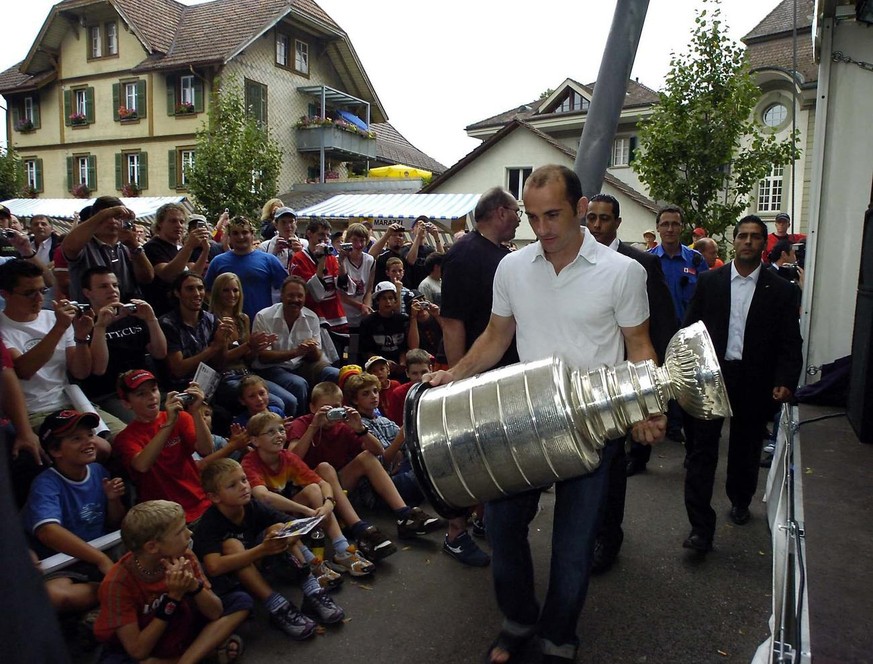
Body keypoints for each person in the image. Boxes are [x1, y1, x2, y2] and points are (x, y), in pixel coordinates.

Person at [425, 165, 665, 664]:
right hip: (525, 417)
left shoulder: (624, 272)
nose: (543, 228)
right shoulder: (512, 268)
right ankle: (518, 619)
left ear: (580, 209)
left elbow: (640, 347)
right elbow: (496, 336)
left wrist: (650, 407)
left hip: (594, 423)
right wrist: (457, 373)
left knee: (573, 544)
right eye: (533, 218)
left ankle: (558, 635)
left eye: (553, 215)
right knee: (502, 522)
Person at [682, 215, 803, 553]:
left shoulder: (781, 290)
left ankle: (740, 499)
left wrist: (784, 380)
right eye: (742, 236)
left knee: (745, 447)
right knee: (702, 452)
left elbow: (790, 342)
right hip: (712, 376)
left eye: (755, 237)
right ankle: (699, 529)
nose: (748, 241)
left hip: (755, 379)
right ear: (733, 241)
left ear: (764, 244)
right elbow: (690, 330)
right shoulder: (710, 282)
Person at [585, 193, 679, 575]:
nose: (596, 226)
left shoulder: (639, 264)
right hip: (587, 379)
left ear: (617, 223)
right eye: (590, 218)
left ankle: (609, 536)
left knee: (611, 463)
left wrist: (653, 384)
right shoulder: (576, 262)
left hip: (625, 377)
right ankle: (584, 531)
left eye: (604, 219)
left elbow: (660, 324)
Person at [438, 186, 521, 565]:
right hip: (474, 373)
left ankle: (485, 519)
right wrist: (458, 379)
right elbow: (452, 320)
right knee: (469, 455)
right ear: (501, 212)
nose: (521, 218)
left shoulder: (498, 255)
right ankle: (456, 533)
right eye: (518, 211)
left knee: (494, 450)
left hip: (497, 370)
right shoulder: (465, 253)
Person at [194, 459, 344, 639]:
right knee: (232, 545)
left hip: (257, 562)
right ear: (215, 497)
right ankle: (277, 606)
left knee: (279, 528)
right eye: (232, 485)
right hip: (230, 581)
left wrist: (284, 539)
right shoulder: (210, 522)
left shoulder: (252, 506)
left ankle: (312, 590)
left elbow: (291, 525)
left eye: (243, 480)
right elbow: (214, 566)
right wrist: (263, 550)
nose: (243, 487)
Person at [94, 500, 250, 663]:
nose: (189, 533)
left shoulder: (184, 556)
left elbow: (215, 612)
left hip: (180, 625)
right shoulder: (117, 583)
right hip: (146, 636)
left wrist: (193, 586)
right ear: (152, 547)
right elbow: (138, 650)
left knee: (240, 601)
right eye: (180, 531)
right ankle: (208, 651)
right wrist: (173, 598)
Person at [286, 381, 444, 541]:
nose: (331, 413)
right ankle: (358, 527)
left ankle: (404, 514)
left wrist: (360, 429)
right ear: (313, 408)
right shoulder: (302, 424)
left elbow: (378, 451)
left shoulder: (342, 427)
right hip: (308, 489)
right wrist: (313, 427)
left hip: (339, 486)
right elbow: (291, 460)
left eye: (336, 407)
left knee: (366, 457)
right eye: (326, 408)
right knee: (325, 468)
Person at [0, 259, 123, 455]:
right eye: (29, 293)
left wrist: (81, 338)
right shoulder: (5, 328)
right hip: (34, 412)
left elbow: (80, 372)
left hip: (72, 401)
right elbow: (23, 370)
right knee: (100, 448)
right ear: (5, 294)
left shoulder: (51, 317)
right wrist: (59, 328)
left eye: (42, 290)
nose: (39, 298)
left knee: (128, 440)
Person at [241, 410, 381, 578]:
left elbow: (321, 483)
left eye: (281, 430)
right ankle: (311, 562)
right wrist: (305, 510)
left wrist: (328, 503)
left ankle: (342, 548)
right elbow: (264, 497)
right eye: (271, 432)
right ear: (255, 440)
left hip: (290, 514)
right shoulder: (250, 462)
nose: (279, 435)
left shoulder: (287, 457)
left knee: (314, 489)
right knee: (282, 516)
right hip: (267, 523)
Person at [21, 409, 126, 614]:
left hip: (105, 549)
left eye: (90, 435)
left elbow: (115, 523)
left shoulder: (98, 471)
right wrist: (99, 559)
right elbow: (48, 531)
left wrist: (113, 501)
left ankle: (118, 591)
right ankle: (120, 591)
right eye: (76, 438)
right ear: (55, 451)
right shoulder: (46, 484)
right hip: (65, 563)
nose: (88, 442)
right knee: (54, 596)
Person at [114, 369, 214, 522]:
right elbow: (142, 465)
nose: (151, 397)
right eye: (141, 394)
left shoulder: (181, 417)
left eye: (153, 390)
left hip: (200, 503)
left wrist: (195, 413)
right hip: (165, 518)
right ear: (126, 403)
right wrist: (169, 424)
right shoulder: (125, 438)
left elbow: (206, 449)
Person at [649, 205, 708, 444]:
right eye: (665, 224)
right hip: (655, 334)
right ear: (658, 228)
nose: (670, 229)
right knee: (655, 382)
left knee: (684, 382)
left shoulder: (695, 259)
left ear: (682, 228)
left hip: (686, 334)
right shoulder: (649, 259)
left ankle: (679, 427)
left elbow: (705, 297)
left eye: (675, 224)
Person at [79, 266, 167, 423]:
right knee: (146, 425)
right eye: (103, 286)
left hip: (145, 387)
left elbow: (160, 353)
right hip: (111, 394)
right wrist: (100, 327)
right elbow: (98, 369)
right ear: (87, 293)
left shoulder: (133, 315)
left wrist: (151, 319)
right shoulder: (85, 323)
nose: (112, 290)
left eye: (115, 285)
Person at [252, 275, 338, 415]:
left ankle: (335, 420)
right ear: (282, 295)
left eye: (300, 296)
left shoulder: (311, 317)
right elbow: (263, 357)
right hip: (271, 369)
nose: (295, 300)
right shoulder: (264, 316)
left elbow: (316, 357)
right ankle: (302, 426)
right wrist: (296, 352)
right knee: (298, 384)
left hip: (301, 365)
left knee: (335, 374)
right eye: (290, 295)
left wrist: (311, 350)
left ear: (305, 297)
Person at [207, 272, 291, 415]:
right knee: (277, 402)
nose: (231, 294)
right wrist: (249, 346)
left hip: (247, 374)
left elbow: (248, 358)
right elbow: (220, 360)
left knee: (290, 400)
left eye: (235, 290)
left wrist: (257, 349)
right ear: (217, 293)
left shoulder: (243, 319)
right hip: (225, 377)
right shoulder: (211, 320)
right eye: (226, 290)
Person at [60, 195, 154, 304]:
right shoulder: (84, 245)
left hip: (126, 314)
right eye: (107, 217)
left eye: (118, 217)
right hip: (91, 316)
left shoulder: (127, 246)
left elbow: (147, 278)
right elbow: (69, 246)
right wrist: (105, 213)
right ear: (95, 218)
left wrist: (135, 246)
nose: (112, 221)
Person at [158, 271, 233, 393]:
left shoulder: (211, 319)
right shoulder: (168, 324)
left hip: (212, 382)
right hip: (182, 389)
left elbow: (220, 364)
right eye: (190, 289)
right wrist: (214, 348)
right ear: (177, 293)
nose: (197, 294)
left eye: (200, 288)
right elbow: (178, 370)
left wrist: (223, 341)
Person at [205, 216, 288, 322]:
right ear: (229, 236)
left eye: (244, 232)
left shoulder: (269, 260)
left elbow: (286, 288)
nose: (240, 237)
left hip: (262, 323)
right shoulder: (218, 262)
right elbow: (206, 291)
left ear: (252, 235)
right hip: (229, 326)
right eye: (235, 233)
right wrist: (219, 311)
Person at [288, 219, 349, 361]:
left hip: (336, 318)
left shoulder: (332, 258)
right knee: (319, 363)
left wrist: (342, 263)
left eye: (327, 236)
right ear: (309, 234)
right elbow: (313, 294)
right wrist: (321, 261)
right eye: (321, 234)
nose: (325, 239)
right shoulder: (298, 259)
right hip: (314, 319)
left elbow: (341, 286)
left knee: (340, 361)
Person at [142, 203, 211, 316]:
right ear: (160, 223)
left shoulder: (178, 249)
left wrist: (205, 250)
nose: (179, 225)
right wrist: (189, 246)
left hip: (180, 312)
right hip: (162, 312)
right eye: (173, 221)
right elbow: (168, 275)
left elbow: (193, 276)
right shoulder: (153, 247)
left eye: (182, 222)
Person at [358, 280, 409, 367]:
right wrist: (383, 363)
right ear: (377, 301)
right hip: (376, 366)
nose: (388, 302)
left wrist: (402, 364)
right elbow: (366, 351)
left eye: (390, 298)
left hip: (400, 366)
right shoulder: (367, 322)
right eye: (384, 298)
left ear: (395, 300)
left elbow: (405, 348)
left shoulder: (403, 320)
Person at [258, 206, 307, 272]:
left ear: (296, 223)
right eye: (283, 222)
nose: (288, 226)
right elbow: (261, 272)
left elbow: (311, 270)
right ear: (276, 225)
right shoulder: (264, 247)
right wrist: (273, 255)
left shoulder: (305, 244)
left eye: (291, 221)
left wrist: (301, 253)